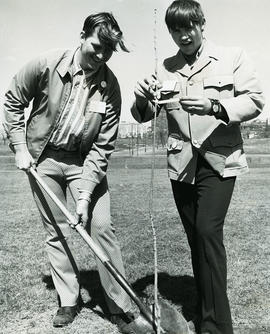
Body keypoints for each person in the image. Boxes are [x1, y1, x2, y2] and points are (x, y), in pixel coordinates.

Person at [4, 12, 153, 334]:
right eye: (97, 46)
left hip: (83, 162)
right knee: (56, 232)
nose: (101, 56)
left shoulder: (110, 86)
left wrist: (84, 196)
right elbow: (13, 101)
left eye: (109, 51)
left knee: (100, 227)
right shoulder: (45, 64)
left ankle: (120, 305)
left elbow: (102, 147)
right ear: (82, 36)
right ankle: (69, 300)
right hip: (42, 160)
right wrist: (19, 147)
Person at [131, 1, 264, 333]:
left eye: (188, 26)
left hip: (220, 161)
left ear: (202, 24)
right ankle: (206, 308)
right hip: (182, 166)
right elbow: (145, 114)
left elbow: (256, 100)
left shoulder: (232, 57)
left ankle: (216, 326)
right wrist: (142, 98)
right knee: (197, 240)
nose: (183, 35)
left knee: (207, 232)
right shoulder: (165, 66)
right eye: (175, 29)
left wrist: (215, 105)